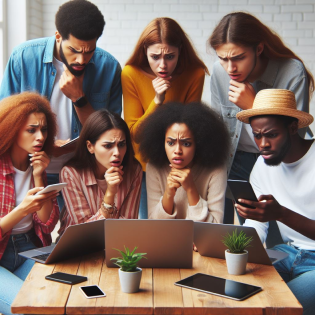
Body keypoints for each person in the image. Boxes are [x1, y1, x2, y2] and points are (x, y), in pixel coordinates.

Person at [0, 0, 122, 210]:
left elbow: (109, 135)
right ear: (58, 35)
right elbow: (5, 122)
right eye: (74, 50)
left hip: (82, 172)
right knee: (33, 237)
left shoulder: (108, 68)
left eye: (89, 51)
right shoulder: (23, 58)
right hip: (29, 170)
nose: (81, 59)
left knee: (77, 239)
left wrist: (79, 98)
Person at [208, 11, 314, 224]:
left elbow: (296, 134)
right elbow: (217, 130)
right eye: (223, 59)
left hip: (279, 164)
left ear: (259, 48)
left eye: (238, 58)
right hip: (236, 161)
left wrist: (254, 106)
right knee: (249, 235)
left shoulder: (292, 72)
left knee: (281, 235)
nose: (230, 68)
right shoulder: (219, 74)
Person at [235, 89, 314, 315]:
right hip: (287, 253)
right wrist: (238, 247)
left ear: (292, 128)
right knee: (233, 288)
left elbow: (278, 214)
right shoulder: (262, 165)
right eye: (257, 135)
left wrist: (281, 214)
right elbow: (258, 226)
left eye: (271, 134)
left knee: (277, 306)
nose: (263, 144)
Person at [122, 17, 209, 219]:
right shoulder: (130, 73)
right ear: (145, 51)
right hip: (144, 167)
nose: (162, 65)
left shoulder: (195, 74)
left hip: (180, 163)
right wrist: (157, 100)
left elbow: (190, 128)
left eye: (170, 56)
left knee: (185, 225)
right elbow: (135, 135)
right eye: (155, 57)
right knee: (151, 229)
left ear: (180, 50)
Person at [0, 92, 59, 315]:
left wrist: (38, 176)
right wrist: (21, 209)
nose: (40, 137)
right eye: (31, 130)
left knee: (59, 300)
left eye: (44, 130)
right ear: (12, 128)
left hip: (28, 248)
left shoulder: (37, 165)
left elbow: (46, 225)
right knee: (26, 310)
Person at [137, 102, 229, 225]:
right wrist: (168, 194)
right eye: (170, 143)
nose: (177, 151)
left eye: (186, 144)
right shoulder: (154, 167)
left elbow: (215, 228)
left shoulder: (216, 169)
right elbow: (154, 228)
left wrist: (191, 188)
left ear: (199, 143)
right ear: (161, 142)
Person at [58, 109, 142, 237]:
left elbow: (128, 225)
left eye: (121, 144)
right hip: (76, 248)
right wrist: (110, 194)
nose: (117, 153)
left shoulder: (134, 170)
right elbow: (84, 233)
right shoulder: (71, 173)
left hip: (118, 245)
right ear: (90, 147)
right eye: (108, 146)